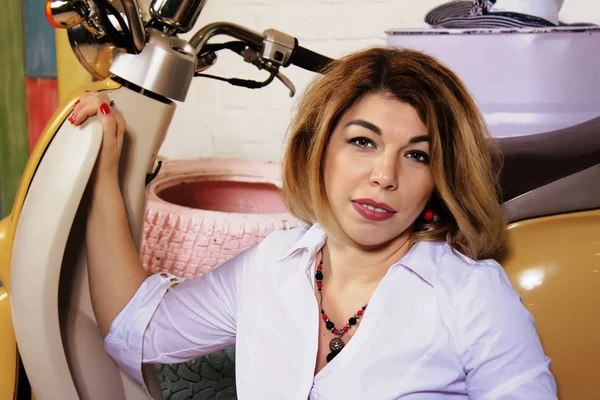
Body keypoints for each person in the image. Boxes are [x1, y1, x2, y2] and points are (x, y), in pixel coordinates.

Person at [72, 47, 558, 399]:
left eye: (416, 155)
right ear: (318, 148)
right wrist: (102, 174)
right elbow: (136, 328)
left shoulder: (471, 294)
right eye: (363, 142)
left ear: (438, 179)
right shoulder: (269, 266)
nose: (384, 176)